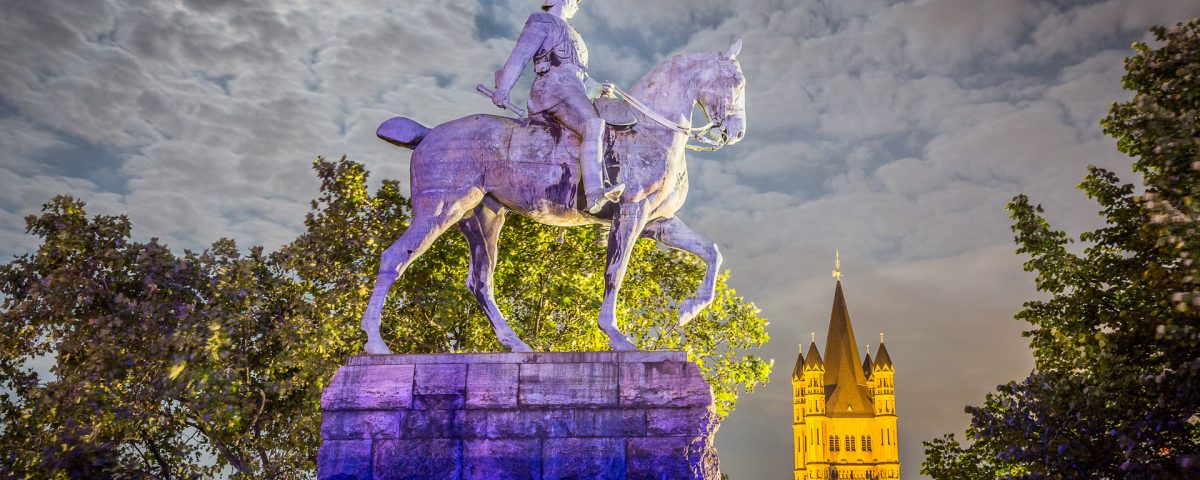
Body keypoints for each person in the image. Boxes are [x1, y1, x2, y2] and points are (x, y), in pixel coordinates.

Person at [491, 0, 624, 213]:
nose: (577, 7)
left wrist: (599, 87)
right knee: (592, 122)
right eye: (576, 1)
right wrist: (503, 88)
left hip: (571, 89)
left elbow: (579, 77)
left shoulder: (575, 34)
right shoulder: (542, 20)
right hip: (551, 87)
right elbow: (520, 56)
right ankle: (594, 193)